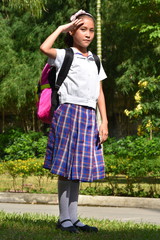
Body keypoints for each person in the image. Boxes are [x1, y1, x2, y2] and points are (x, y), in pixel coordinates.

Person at [40, 9, 108, 233]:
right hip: (68, 113)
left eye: (91, 30)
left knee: (77, 169)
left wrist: (104, 121)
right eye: (83, 29)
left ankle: (74, 218)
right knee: (66, 167)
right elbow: (44, 48)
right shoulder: (64, 54)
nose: (88, 34)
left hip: (88, 116)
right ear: (73, 32)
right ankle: (63, 218)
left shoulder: (94, 60)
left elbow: (99, 92)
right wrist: (62, 28)